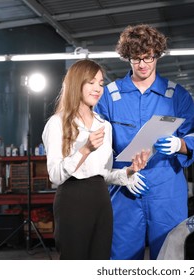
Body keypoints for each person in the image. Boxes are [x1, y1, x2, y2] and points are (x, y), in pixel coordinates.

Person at [95, 24, 194, 260]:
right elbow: (97, 147)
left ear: (157, 55)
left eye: (148, 57)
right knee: (122, 260)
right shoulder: (109, 96)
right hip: (124, 189)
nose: (143, 64)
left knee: (170, 258)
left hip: (167, 190)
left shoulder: (176, 95)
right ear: (127, 57)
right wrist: (119, 173)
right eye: (136, 59)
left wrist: (180, 145)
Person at [42, 59, 150, 260]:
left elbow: (105, 174)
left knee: (100, 261)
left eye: (101, 83)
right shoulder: (57, 123)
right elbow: (55, 176)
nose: (98, 88)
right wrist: (85, 149)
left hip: (101, 200)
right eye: (91, 82)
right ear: (77, 83)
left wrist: (130, 171)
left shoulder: (104, 126)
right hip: (72, 200)